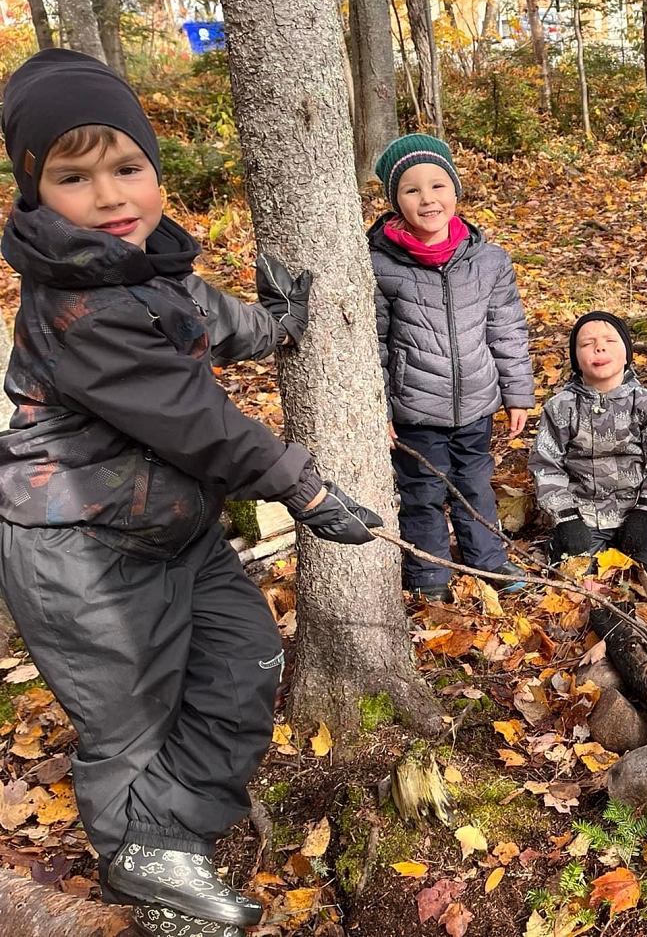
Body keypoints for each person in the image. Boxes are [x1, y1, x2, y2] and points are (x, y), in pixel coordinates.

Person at [0, 49, 382, 936]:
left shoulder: (142, 266)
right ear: (34, 190)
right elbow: (194, 420)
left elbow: (205, 314)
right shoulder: (77, 309)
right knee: (129, 716)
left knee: (249, 658)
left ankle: (171, 829)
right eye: (75, 177)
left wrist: (278, 323)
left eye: (127, 167)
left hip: (171, 525)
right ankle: (144, 858)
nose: (110, 196)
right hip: (83, 550)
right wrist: (306, 489)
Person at [370, 134, 534, 600]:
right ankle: (428, 577)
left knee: (476, 483)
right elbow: (375, 343)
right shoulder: (379, 264)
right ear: (395, 201)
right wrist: (380, 406)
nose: (427, 199)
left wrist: (517, 392)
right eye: (412, 189)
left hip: (477, 401)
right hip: (415, 407)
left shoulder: (487, 259)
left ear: (456, 192)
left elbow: (506, 329)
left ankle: (489, 563)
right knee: (422, 490)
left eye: (438, 186)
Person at [529, 311, 647, 570]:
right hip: (581, 512)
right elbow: (546, 466)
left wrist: (645, 512)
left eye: (610, 341)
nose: (599, 347)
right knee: (576, 571)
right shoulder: (560, 407)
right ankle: (559, 543)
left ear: (627, 353)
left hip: (634, 508)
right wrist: (566, 518)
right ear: (576, 357)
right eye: (587, 344)